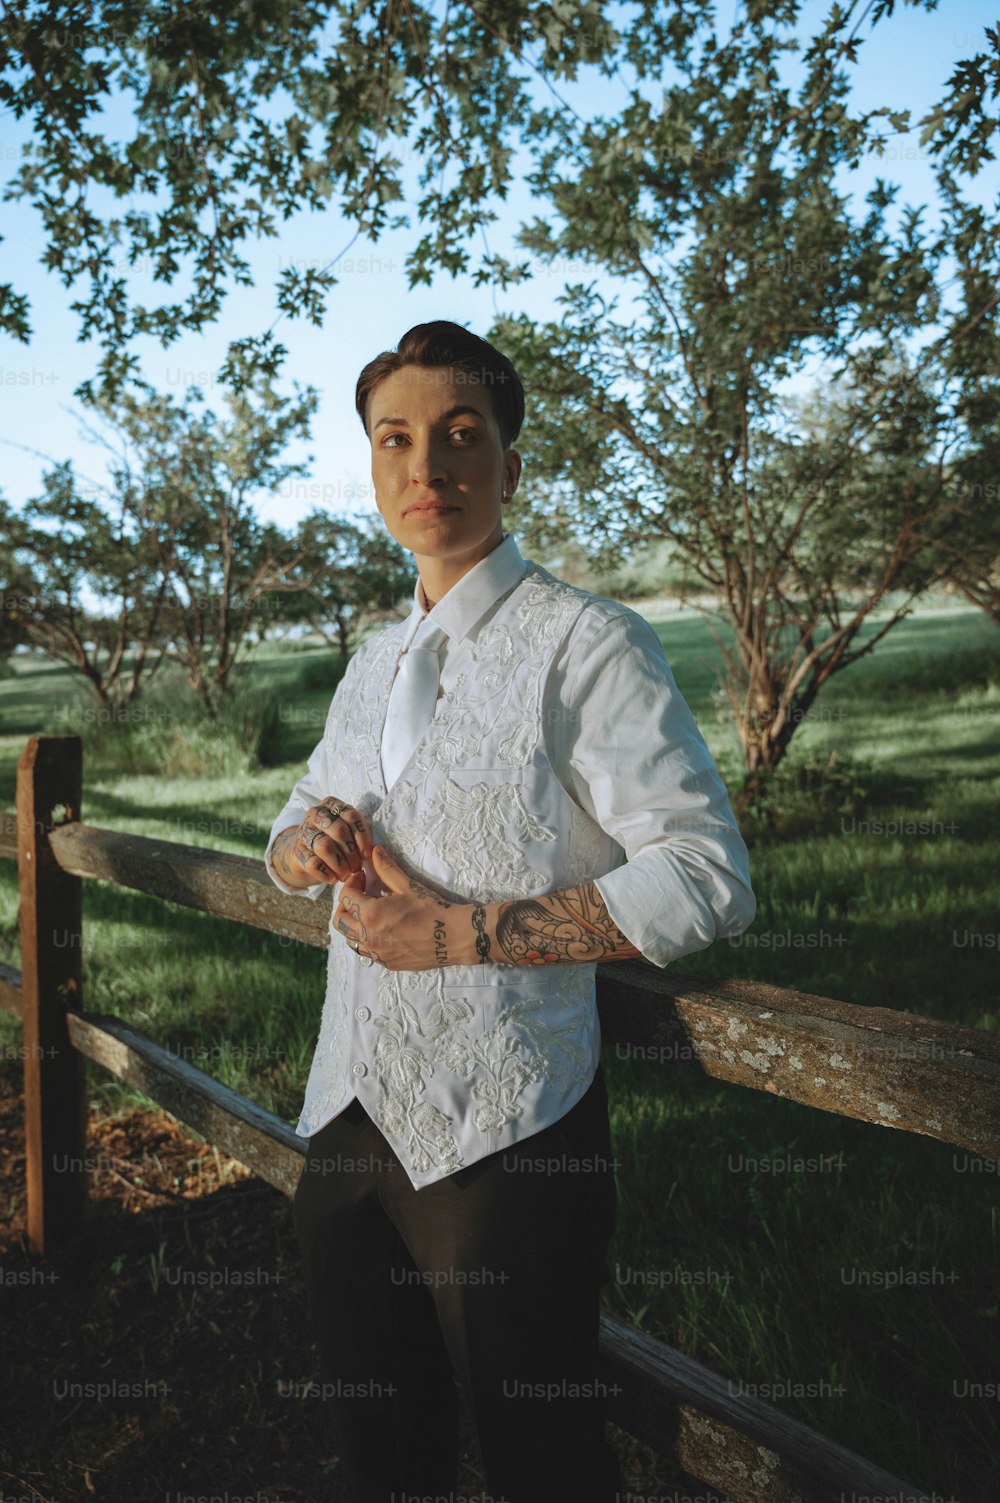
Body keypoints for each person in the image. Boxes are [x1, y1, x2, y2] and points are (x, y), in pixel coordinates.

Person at [263, 320, 756, 1502]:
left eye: (460, 435)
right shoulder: (374, 661)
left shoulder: (588, 644)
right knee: (381, 1450)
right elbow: (290, 822)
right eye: (397, 440)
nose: (426, 465)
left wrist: (462, 936)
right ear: (374, 470)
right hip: (345, 1109)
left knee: (544, 1462)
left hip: (512, 1129)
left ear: (510, 468)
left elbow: (705, 873)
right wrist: (299, 846)